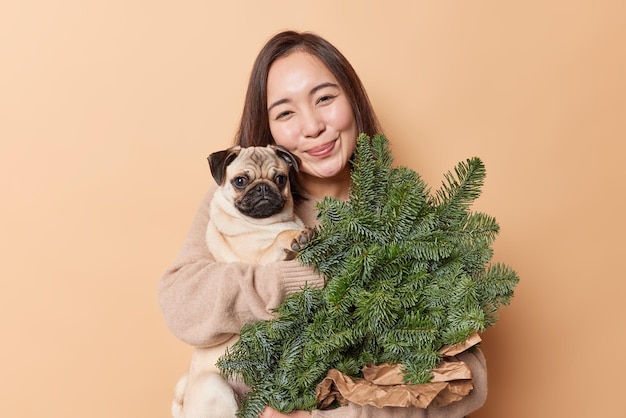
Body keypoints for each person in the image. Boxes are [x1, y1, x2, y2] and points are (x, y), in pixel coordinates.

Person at [159, 30, 488, 418]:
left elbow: (470, 380)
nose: (312, 126)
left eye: (325, 99)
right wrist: (296, 279)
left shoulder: (408, 217)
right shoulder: (236, 204)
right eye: (285, 112)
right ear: (269, 130)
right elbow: (182, 303)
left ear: (353, 98)